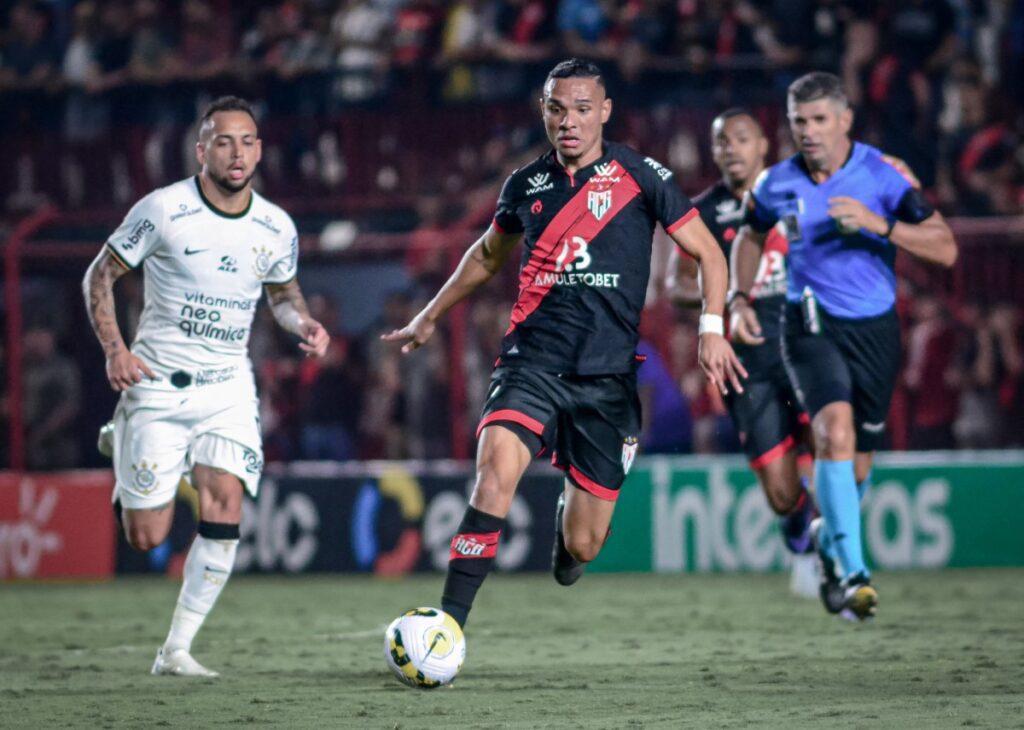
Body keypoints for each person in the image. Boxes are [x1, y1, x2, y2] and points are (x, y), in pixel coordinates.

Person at [383, 58, 745, 628]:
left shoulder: (641, 175)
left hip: (607, 380)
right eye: (557, 109)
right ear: (544, 112)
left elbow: (709, 253)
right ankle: (447, 627)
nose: (568, 121)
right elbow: (486, 254)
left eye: (581, 109)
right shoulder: (525, 184)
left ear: (605, 111)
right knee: (493, 475)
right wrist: (431, 315)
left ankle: (568, 531)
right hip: (531, 363)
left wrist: (712, 328)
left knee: (584, 543)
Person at [82, 96, 329, 676]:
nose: (236, 153)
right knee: (146, 537)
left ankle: (176, 650)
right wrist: (115, 349)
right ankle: (124, 437)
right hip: (157, 383)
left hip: (227, 385)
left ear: (260, 150)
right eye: (223, 142)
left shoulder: (276, 225)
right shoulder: (164, 209)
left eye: (246, 142)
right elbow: (100, 274)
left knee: (225, 502)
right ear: (201, 151)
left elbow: (283, 293)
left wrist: (302, 322)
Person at [730, 72, 957, 621]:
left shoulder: (883, 174)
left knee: (856, 467)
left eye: (819, 120)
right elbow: (750, 235)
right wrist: (738, 296)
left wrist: (880, 225)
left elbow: (945, 248)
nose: (808, 132)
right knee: (832, 432)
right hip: (808, 324)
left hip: (874, 331)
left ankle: (829, 543)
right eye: (799, 121)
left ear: (845, 121)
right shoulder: (776, 182)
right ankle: (854, 573)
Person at [666, 108, 815, 554]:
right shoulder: (703, 212)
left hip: (808, 349)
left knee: (833, 445)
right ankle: (799, 518)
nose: (732, 149)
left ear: (763, 145)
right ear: (713, 151)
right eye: (722, 141)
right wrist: (728, 292)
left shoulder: (797, 194)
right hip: (747, 364)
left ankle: (833, 546)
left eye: (742, 138)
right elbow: (676, 285)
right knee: (781, 494)